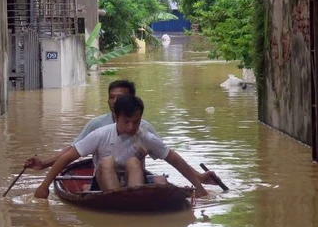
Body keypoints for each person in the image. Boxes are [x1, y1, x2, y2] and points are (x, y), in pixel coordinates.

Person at [33, 94, 217, 199]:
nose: (131, 127)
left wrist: (198, 184)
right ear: (116, 117)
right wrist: (44, 186)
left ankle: (133, 199)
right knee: (106, 162)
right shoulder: (101, 134)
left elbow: (174, 159)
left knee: (133, 162)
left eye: (135, 122)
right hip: (104, 183)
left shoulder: (145, 136)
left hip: (133, 183)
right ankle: (117, 198)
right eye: (126, 121)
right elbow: (67, 158)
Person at [24, 79, 155, 171]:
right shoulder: (97, 125)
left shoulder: (144, 128)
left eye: (120, 97)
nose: (115, 102)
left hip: (134, 176)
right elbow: (72, 151)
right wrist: (43, 164)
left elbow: (162, 152)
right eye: (111, 97)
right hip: (104, 178)